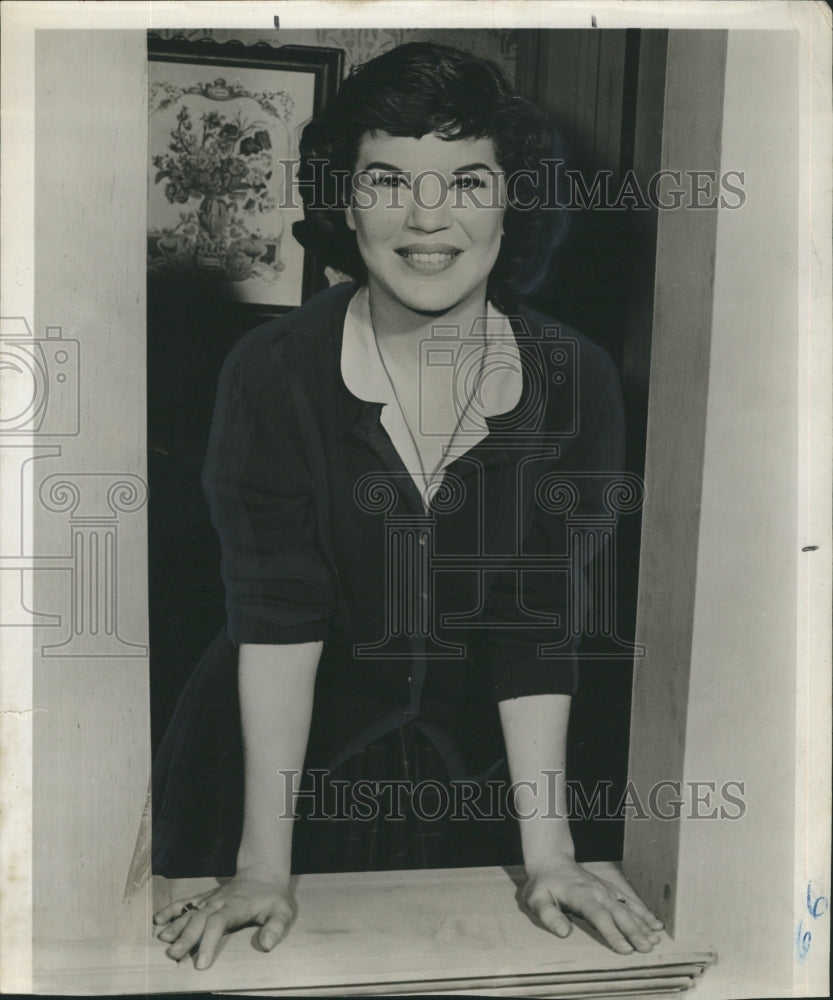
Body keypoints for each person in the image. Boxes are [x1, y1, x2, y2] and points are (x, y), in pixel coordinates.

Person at [151, 41, 663, 970]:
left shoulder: (577, 379)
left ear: (514, 201)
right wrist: (264, 864)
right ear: (347, 202)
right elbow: (276, 617)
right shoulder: (271, 373)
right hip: (268, 780)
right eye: (388, 179)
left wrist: (546, 853)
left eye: (467, 182)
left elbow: (537, 622)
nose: (427, 218)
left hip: (486, 782)